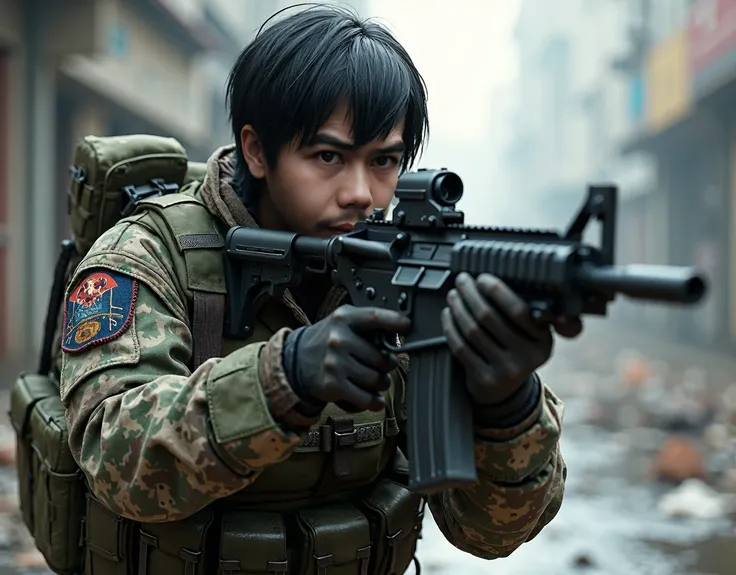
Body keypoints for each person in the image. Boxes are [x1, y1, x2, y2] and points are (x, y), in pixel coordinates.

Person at [60, 5, 580, 573]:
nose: (360, 193)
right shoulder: (149, 253)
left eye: (385, 160)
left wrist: (507, 405)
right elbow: (114, 460)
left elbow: (492, 533)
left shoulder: (404, 272)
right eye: (328, 156)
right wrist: (284, 377)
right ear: (257, 151)